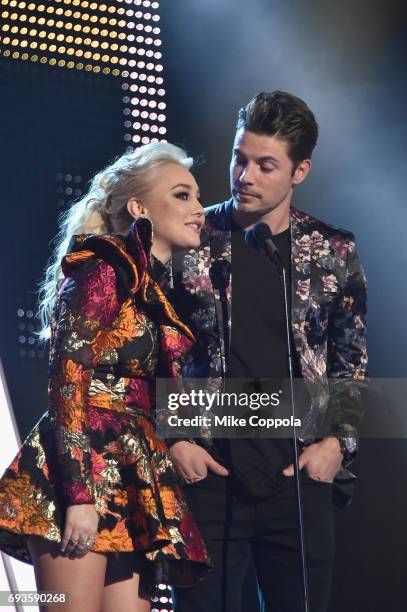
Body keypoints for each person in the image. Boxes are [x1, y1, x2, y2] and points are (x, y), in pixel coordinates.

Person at [167, 92, 368, 611]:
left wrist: (336, 445)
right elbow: (148, 353)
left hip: (297, 479)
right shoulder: (191, 239)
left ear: (299, 171)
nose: (245, 176)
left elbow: (351, 361)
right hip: (208, 472)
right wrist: (173, 441)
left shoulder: (332, 251)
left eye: (265, 165)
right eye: (239, 158)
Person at [0, 143, 211, 612]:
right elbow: (67, 378)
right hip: (79, 471)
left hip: (130, 469)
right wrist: (78, 496)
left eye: (197, 196)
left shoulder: (150, 287)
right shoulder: (103, 269)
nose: (198, 209)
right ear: (139, 208)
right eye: (181, 195)